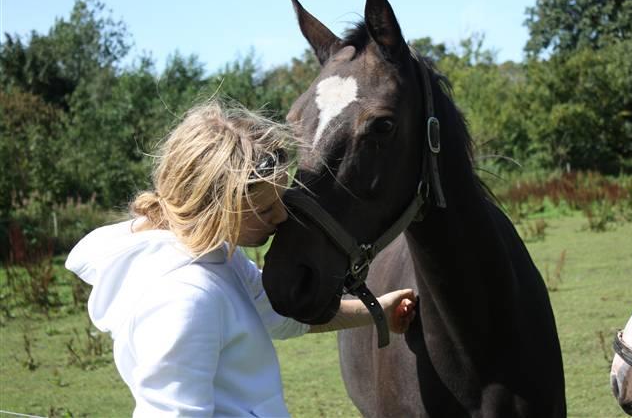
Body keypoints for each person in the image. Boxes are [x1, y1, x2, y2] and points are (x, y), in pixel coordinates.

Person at [66, 101, 416, 417]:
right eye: (264, 208)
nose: (281, 217)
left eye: (280, 200)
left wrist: (378, 311)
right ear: (214, 205)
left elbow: (278, 316)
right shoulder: (183, 298)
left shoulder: (215, 259)